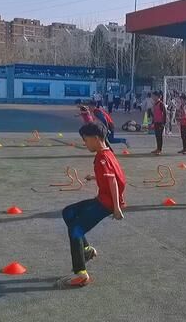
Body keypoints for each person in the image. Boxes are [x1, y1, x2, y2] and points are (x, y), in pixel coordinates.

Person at [59, 122, 126, 288]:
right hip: (102, 199)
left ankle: (81, 274)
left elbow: (113, 182)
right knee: (68, 212)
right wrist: (95, 177)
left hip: (106, 203)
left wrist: (116, 208)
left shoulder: (103, 158)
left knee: (76, 229)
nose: (85, 143)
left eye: (86, 140)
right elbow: (113, 176)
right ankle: (87, 250)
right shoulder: (106, 153)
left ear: (96, 139)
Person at [151, 91, 167, 155]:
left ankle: (159, 150)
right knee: (157, 136)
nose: (153, 97)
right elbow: (155, 114)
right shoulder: (155, 104)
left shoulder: (161, 104)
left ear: (157, 96)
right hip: (156, 122)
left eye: (154, 96)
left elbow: (165, 114)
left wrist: (163, 123)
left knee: (159, 136)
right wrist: (153, 122)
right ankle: (157, 148)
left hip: (160, 123)